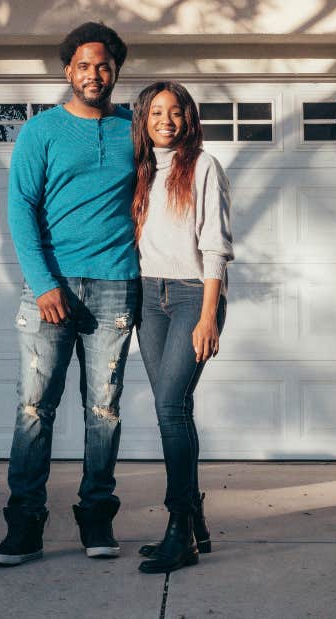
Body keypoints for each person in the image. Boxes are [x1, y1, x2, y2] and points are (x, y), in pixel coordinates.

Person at [0, 22, 139, 567]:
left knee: (104, 410)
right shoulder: (41, 131)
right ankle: (24, 525)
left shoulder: (135, 129)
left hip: (116, 285)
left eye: (103, 65)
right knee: (34, 410)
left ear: (116, 70)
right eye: (83, 65)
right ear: (67, 70)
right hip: (49, 288)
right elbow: (20, 210)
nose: (93, 74)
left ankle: (96, 516)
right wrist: (46, 284)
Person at [131, 81, 234, 574]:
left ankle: (180, 530)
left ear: (188, 118)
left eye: (174, 111)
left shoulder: (204, 166)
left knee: (170, 409)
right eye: (155, 112)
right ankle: (196, 521)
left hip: (193, 295)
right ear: (143, 120)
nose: (165, 120)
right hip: (149, 297)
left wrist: (210, 315)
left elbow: (215, 245)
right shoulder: (141, 170)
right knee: (174, 408)